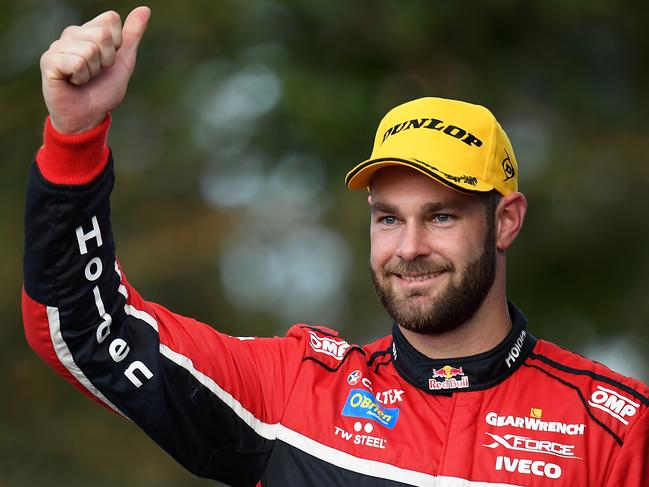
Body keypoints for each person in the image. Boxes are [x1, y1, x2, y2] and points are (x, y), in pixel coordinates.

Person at [23, 7, 648, 487]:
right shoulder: (295, 392)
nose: (409, 247)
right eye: (386, 220)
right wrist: (75, 138)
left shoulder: (615, 430)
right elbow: (81, 330)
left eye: (441, 216)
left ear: (506, 220)